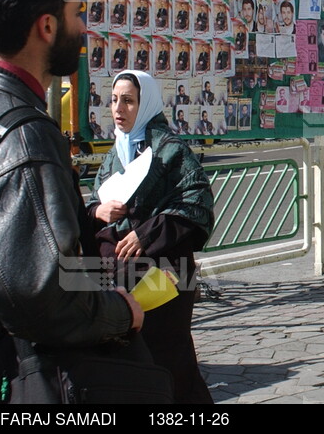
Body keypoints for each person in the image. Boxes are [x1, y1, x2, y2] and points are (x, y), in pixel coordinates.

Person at [0, 0, 143, 403]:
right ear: (47, 27)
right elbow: (36, 294)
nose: (86, 28)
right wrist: (120, 313)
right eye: (78, 14)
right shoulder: (26, 136)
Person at [85, 70, 214, 402]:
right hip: (119, 279)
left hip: (164, 278)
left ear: (145, 104)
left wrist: (146, 234)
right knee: (128, 369)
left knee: (170, 362)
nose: (118, 109)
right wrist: (97, 211)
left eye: (128, 101)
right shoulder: (115, 154)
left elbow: (196, 203)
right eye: (114, 100)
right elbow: (93, 202)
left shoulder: (170, 151)